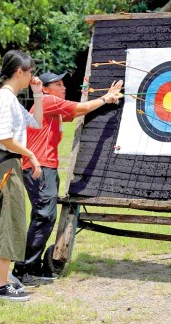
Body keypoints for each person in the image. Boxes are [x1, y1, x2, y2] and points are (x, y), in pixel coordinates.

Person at [12, 72, 122, 285]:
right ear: (44, 89)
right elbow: (80, 108)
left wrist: (104, 97)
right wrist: (106, 98)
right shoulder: (47, 100)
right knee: (44, 216)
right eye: (58, 84)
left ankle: (32, 267)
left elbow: (76, 112)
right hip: (39, 167)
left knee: (44, 216)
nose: (64, 88)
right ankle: (22, 269)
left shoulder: (52, 106)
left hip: (46, 167)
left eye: (63, 84)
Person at [0, 50, 44, 301]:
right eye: (31, 72)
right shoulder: (5, 99)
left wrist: (38, 94)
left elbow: (36, 123)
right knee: (9, 221)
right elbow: (4, 138)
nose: (33, 76)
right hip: (6, 164)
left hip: (3, 163)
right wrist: (32, 155)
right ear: (20, 72)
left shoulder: (9, 99)